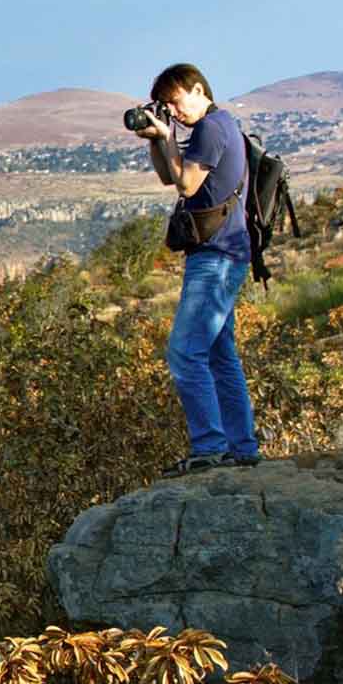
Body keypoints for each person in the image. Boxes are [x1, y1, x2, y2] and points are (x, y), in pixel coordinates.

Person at [131, 63, 260, 475]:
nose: (173, 109)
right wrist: (157, 141)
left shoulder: (210, 127)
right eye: (166, 105)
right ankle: (242, 447)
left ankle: (210, 446)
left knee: (186, 353)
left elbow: (186, 185)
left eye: (175, 100)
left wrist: (169, 136)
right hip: (224, 253)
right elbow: (171, 177)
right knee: (221, 356)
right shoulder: (222, 124)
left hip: (216, 257)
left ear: (198, 89)